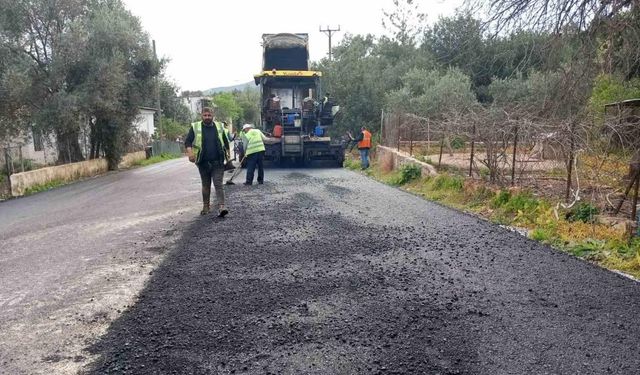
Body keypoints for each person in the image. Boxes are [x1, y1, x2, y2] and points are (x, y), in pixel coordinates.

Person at [185, 107, 230, 217]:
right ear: (201, 116)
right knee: (206, 185)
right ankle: (206, 206)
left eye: (209, 115)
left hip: (218, 162)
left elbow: (225, 141)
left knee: (218, 184)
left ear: (213, 116)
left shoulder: (219, 126)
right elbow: (188, 141)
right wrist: (190, 153)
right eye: (205, 115)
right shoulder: (195, 127)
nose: (207, 117)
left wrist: (228, 156)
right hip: (203, 162)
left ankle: (222, 206)